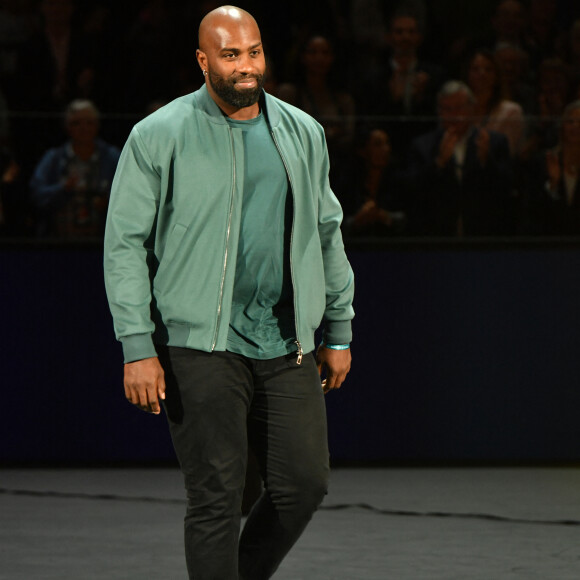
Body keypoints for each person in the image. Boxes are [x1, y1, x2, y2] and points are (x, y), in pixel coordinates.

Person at [103, 6, 354, 580]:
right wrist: (137, 346)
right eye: (231, 55)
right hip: (201, 344)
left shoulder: (301, 131)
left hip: (286, 340)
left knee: (303, 485)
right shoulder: (159, 134)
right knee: (217, 497)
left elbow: (326, 232)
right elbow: (124, 246)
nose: (247, 67)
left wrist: (338, 327)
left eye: (254, 51)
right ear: (203, 60)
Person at [406, 80, 514, 236]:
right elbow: (412, 191)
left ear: (472, 109)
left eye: (459, 108)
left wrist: (486, 161)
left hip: (484, 236)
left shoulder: (494, 142)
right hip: (437, 238)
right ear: (439, 112)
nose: (454, 115)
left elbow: (507, 189)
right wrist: (438, 163)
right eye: (447, 109)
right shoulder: (422, 146)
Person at [30, 99, 120, 237]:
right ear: (67, 126)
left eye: (89, 123)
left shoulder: (112, 157)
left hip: (102, 241)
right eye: (76, 123)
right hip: (58, 242)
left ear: (97, 125)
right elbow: (37, 194)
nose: (83, 128)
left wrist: (108, 202)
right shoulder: (54, 158)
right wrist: (63, 189)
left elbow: (130, 193)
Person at [520, 100, 580, 235]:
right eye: (570, 121)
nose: (575, 126)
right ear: (562, 126)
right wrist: (553, 185)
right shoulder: (542, 162)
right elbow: (533, 211)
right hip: (549, 244)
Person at [465, 49, 525, 156]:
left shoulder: (511, 111)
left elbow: (509, 153)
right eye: (475, 69)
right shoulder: (458, 110)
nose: (482, 74)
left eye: (488, 69)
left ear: (496, 75)